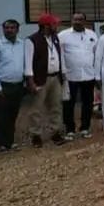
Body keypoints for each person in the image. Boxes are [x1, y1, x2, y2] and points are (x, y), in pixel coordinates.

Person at [25, 13, 66, 148]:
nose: (56, 26)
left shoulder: (55, 38)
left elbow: (59, 56)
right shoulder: (32, 40)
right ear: (46, 26)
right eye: (54, 24)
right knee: (36, 109)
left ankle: (55, 132)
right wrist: (30, 81)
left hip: (55, 78)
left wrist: (62, 75)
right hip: (40, 79)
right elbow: (28, 63)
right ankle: (35, 135)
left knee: (56, 107)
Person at [59, 12, 98, 140]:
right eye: (75, 19)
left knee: (88, 103)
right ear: (71, 21)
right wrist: (62, 73)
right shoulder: (63, 35)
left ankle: (85, 128)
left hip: (88, 75)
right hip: (70, 76)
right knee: (69, 103)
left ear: (85, 21)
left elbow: (96, 54)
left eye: (80, 19)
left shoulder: (92, 35)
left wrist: (97, 73)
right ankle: (69, 129)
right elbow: (60, 55)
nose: (77, 22)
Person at [0, 19, 25, 152]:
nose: (9, 30)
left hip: (18, 86)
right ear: (3, 29)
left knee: (12, 115)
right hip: (2, 86)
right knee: (0, 116)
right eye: (7, 28)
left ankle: (9, 141)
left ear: (17, 30)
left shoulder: (22, 44)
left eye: (12, 28)